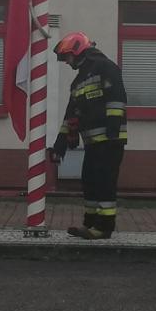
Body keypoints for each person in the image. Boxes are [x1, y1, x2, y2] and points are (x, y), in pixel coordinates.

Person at [50, 33, 128, 239]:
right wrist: (60, 144)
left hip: (110, 140)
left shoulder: (106, 67)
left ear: (77, 50)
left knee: (105, 181)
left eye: (67, 57)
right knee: (90, 180)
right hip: (93, 142)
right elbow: (71, 115)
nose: (67, 62)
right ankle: (90, 223)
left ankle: (104, 226)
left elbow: (117, 99)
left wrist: (113, 130)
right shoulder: (78, 81)